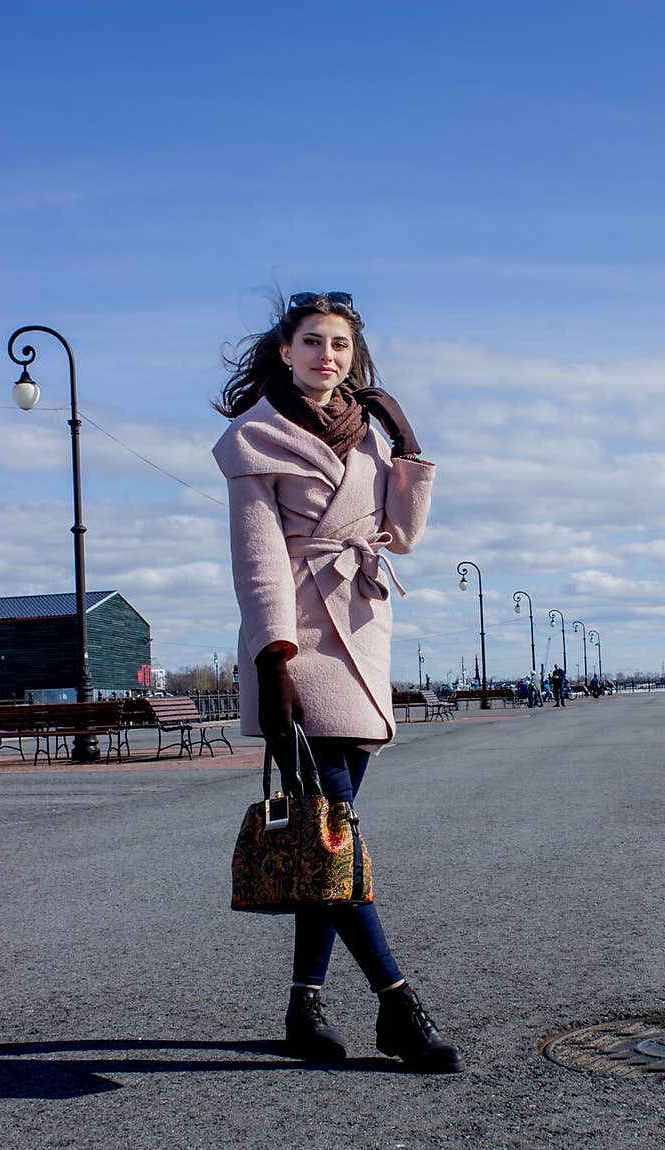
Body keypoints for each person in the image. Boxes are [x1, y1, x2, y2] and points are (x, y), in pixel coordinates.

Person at [213, 291, 461, 1072]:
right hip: (297, 647)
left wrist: (406, 440)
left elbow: (406, 537)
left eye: (343, 345)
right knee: (335, 833)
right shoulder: (254, 437)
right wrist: (273, 658)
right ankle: (398, 1006)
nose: (330, 356)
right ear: (284, 351)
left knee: (330, 843)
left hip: (361, 632)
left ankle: (303, 1006)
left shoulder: (367, 435)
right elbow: (257, 561)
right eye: (315, 341)